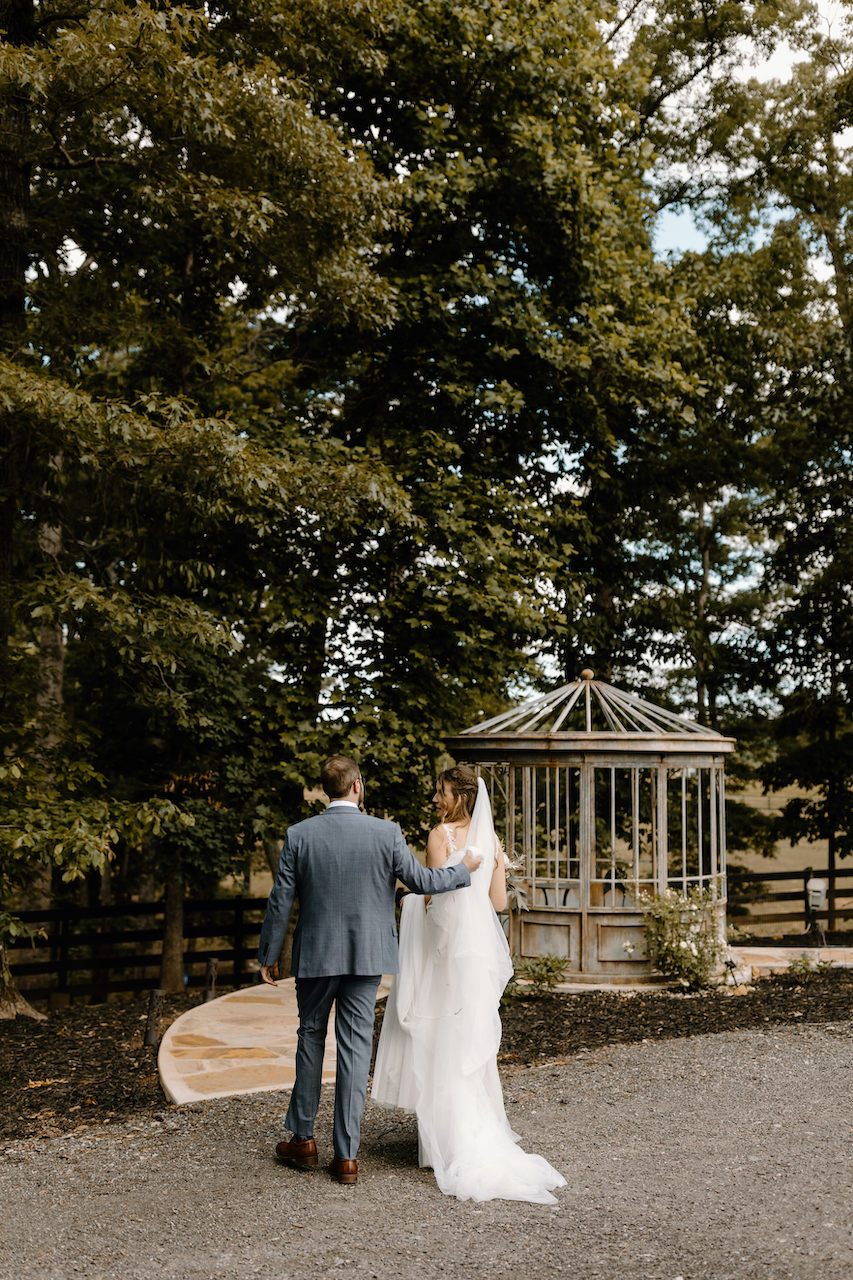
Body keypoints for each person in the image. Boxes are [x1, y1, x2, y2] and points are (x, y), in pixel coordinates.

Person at [257, 754, 482, 1186]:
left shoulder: (299, 835)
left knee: (310, 1035)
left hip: (316, 957)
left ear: (329, 789)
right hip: (367, 957)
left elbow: (280, 900)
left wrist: (269, 953)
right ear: (357, 786)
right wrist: (463, 870)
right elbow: (423, 882)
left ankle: (302, 1140)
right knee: (355, 1046)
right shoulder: (386, 832)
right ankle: (346, 1157)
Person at [372, 765, 567, 1204]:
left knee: (441, 1037)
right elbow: (498, 903)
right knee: (468, 1042)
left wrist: (409, 905)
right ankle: (474, 1135)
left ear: (458, 797)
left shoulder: (441, 836)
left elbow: (434, 896)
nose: (436, 799)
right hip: (476, 954)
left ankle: (446, 1142)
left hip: (446, 953)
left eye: (440, 792)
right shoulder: (490, 840)